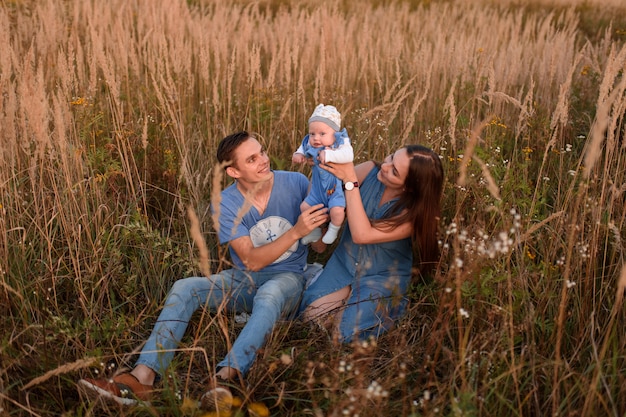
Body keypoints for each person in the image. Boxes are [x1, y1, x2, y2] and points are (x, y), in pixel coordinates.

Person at [78, 131, 329, 409]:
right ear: (233, 171)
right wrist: (296, 231)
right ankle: (141, 378)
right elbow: (251, 261)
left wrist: (324, 216)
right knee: (186, 287)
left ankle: (225, 379)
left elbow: (318, 246)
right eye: (252, 159)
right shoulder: (226, 203)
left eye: (263, 152)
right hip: (245, 278)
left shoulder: (295, 182)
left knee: (269, 295)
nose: (264, 161)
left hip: (288, 278)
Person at [300, 144, 444, 342]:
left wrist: (350, 181)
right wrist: (321, 171)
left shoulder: (411, 215)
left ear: (408, 187)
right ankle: (342, 297)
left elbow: (362, 234)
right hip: (344, 265)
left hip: (381, 278)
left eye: (394, 171)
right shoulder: (369, 169)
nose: (385, 166)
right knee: (312, 318)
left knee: (341, 334)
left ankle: (378, 307)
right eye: (391, 156)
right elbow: (318, 191)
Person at [293, 104, 353, 245]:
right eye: (312, 134)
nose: (315, 138)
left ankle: (333, 229)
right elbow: (302, 147)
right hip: (317, 190)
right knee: (305, 208)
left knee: (337, 211)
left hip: (334, 191)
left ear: (335, 133)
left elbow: (348, 155)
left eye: (322, 134)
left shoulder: (339, 143)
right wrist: (298, 154)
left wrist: (330, 154)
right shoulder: (309, 142)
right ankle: (314, 231)